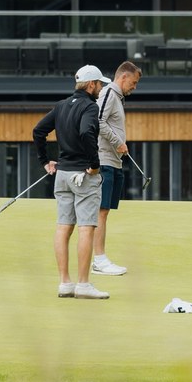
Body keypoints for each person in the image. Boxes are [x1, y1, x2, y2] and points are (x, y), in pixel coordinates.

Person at [33, 64, 108, 300]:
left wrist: (45, 161)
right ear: (91, 84)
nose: (101, 88)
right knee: (86, 227)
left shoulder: (62, 105)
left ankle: (65, 283)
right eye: (99, 84)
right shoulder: (90, 107)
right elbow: (86, 133)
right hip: (83, 176)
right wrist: (94, 164)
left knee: (63, 227)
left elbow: (38, 131)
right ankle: (83, 284)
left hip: (63, 175)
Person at [89, 60, 142, 276]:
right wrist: (117, 142)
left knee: (104, 211)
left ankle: (99, 259)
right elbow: (97, 120)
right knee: (101, 211)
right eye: (133, 82)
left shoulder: (117, 97)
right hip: (104, 159)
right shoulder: (110, 93)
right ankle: (99, 260)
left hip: (113, 160)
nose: (134, 87)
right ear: (123, 77)